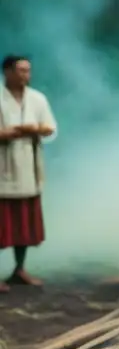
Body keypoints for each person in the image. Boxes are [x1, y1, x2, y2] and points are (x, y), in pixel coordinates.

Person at [0, 56, 57, 290]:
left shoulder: (37, 99)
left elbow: (50, 128)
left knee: (22, 222)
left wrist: (34, 130)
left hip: (28, 166)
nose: (26, 76)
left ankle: (19, 269)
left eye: (28, 71)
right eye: (21, 71)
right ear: (7, 72)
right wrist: (7, 134)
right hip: (3, 164)